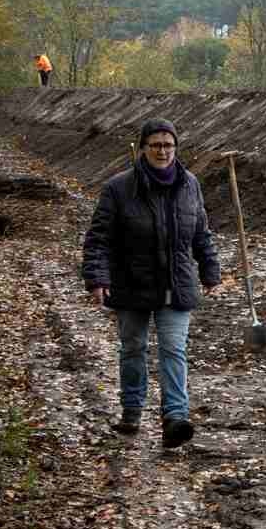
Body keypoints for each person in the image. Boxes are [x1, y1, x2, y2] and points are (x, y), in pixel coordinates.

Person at [81, 120, 221, 447]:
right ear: (143, 148)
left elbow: (201, 233)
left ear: (176, 148)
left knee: (174, 349)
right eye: (155, 145)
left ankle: (175, 417)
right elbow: (98, 239)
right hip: (131, 284)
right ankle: (131, 410)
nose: (162, 151)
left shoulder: (190, 185)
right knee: (134, 348)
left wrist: (210, 269)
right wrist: (97, 278)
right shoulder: (119, 188)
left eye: (168, 145)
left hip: (176, 282)